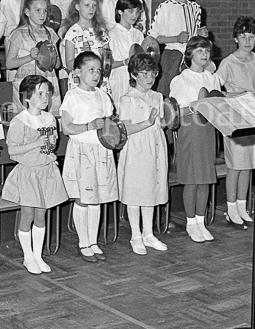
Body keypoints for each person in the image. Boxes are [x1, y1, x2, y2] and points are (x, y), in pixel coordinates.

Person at [2, 76, 68, 274]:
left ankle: (38, 255)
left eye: (47, 93)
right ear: (27, 97)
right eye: (40, 93)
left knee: (42, 214)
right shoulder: (19, 121)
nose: (45, 97)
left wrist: (49, 144)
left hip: (45, 171)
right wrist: (37, 143)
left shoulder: (49, 119)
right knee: (28, 214)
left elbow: (52, 143)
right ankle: (27, 256)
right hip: (29, 173)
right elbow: (13, 152)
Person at [60, 52, 118, 262]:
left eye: (98, 70)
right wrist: (89, 126)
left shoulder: (103, 95)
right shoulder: (72, 96)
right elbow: (66, 127)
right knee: (84, 198)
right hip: (82, 151)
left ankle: (93, 241)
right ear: (77, 72)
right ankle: (83, 242)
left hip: (101, 151)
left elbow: (110, 124)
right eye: (90, 70)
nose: (96, 74)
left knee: (98, 199)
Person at [215, 17, 255, 230]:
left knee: (249, 164)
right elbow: (216, 91)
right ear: (235, 38)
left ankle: (242, 207)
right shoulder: (228, 63)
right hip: (235, 117)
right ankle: (230, 210)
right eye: (243, 36)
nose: (247, 40)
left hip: (254, 116)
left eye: (252, 37)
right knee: (235, 166)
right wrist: (239, 94)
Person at [169, 36, 223, 242]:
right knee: (192, 178)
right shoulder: (181, 80)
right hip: (190, 129)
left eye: (207, 51)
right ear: (190, 54)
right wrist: (195, 106)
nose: (205, 55)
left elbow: (218, 102)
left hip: (209, 130)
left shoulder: (213, 78)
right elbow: (175, 112)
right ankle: (191, 223)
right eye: (200, 51)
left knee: (206, 178)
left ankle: (201, 221)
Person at [118, 54, 168, 255]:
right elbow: (124, 129)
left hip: (155, 146)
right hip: (137, 147)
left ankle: (149, 234)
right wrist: (146, 123)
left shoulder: (157, 97)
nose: (150, 78)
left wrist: (166, 121)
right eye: (145, 74)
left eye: (153, 74)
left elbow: (161, 123)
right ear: (133, 74)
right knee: (135, 190)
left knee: (151, 188)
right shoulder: (127, 98)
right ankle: (135, 235)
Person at [150, 0, 208, 97]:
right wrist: (175, 38)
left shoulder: (196, 8)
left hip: (192, 59)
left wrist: (200, 35)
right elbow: (153, 39)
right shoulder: (165, 7)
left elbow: (194, 37)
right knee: (167, 96)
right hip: (172, 58)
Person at [5, 0, 62, 114]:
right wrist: (30, 57)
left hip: (48, 79)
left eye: (45, 11)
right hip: (27, 82)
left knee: (48, 120)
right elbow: (9, 63)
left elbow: (58, 65)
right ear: (27, 12)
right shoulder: (19, 33)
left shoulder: (50, 32)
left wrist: (51, 56)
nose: (42, 14)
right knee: (28, 120)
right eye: (38, 10)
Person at [61, 0, 110, 94]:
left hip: (99, 80)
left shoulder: (101, 31)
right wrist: (84, 60)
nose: (91, 9)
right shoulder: (72, 32)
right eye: (87, 5)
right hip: (80, 82)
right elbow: (69, 64)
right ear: (77, 7)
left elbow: (107, 59)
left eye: (94, 5)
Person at [106, 0, 145, 104]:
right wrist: (125, 62)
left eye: (137, 12)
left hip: (136, 80)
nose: (134, 15)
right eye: (130, 11)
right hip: (119, 79)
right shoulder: (111, 34)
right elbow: (107, 64)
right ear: (120, 11)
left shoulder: (138, 34)